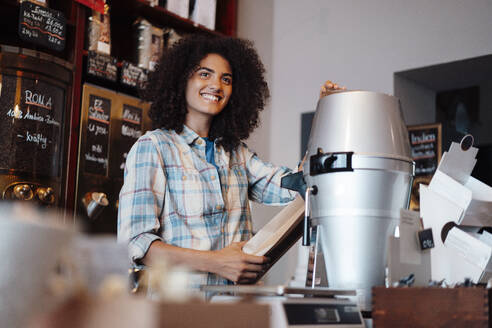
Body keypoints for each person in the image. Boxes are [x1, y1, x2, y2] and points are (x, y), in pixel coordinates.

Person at [117, 34, 343, 291]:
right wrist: (216, 262)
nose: (216, 85)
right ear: (181, 80)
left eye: (226, 79)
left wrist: (327, 113)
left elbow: (299, 186)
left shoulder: (237, 154)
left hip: (234, 308)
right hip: (178, 310)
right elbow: (135, 243)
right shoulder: (154, 148)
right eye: (205, 74)